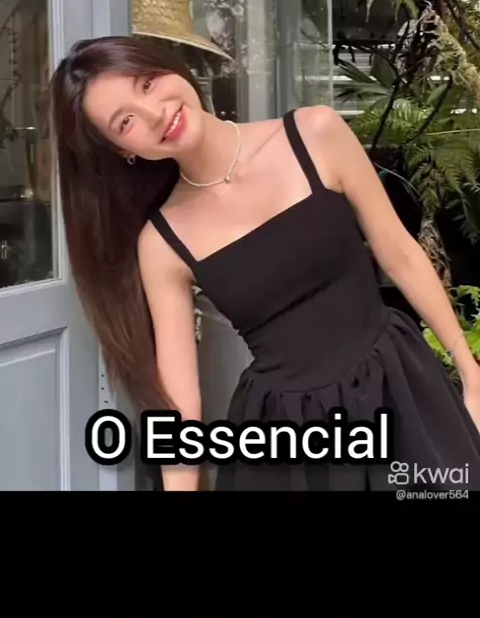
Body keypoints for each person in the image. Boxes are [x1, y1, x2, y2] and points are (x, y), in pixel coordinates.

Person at [50, 34, 480, 491]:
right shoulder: (162, 243)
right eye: (125, 121)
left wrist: (470, 372)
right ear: (124, 151)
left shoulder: (315, 133)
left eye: (147, 83)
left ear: (171, 68)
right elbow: (180, 405)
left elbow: (400, 253)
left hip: (398, 386)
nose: (154, 113)